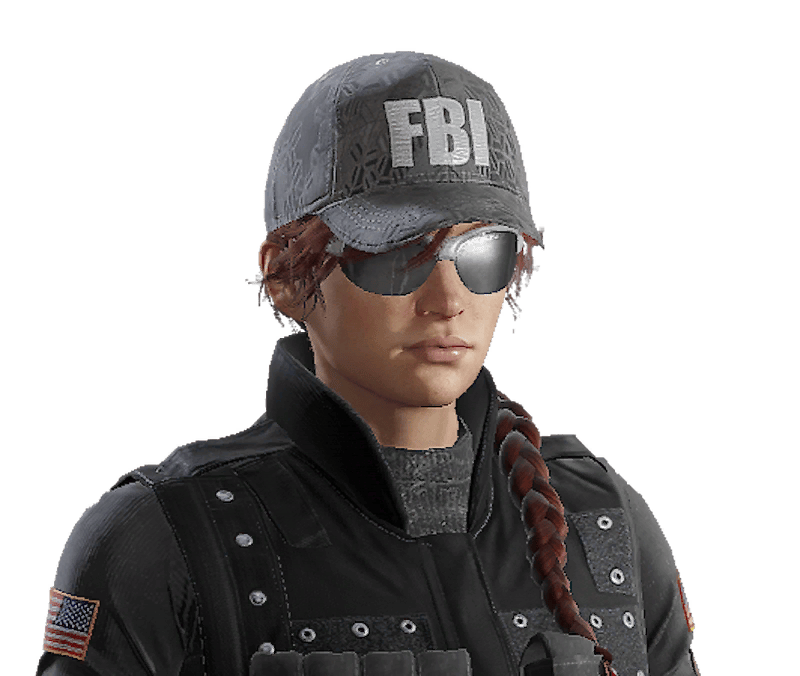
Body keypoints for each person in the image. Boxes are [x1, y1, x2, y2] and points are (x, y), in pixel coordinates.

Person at [35, 50, 701, 676]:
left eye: (483, 254)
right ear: (287, 276)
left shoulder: (603, 516)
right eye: (398, 256)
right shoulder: (163, 537)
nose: (448, 301)